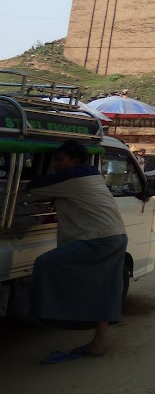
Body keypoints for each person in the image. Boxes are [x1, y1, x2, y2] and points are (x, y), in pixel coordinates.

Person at [28, 140, 128, 361]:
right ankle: (98, 343)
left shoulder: (72, 178)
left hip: (98, 239)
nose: (55, 164)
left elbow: (32, 187)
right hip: (116, 236)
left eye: (59, 160)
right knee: (106, 288)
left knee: (46, 264)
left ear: (74, 161)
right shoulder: (92, 175)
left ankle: (48, 315)